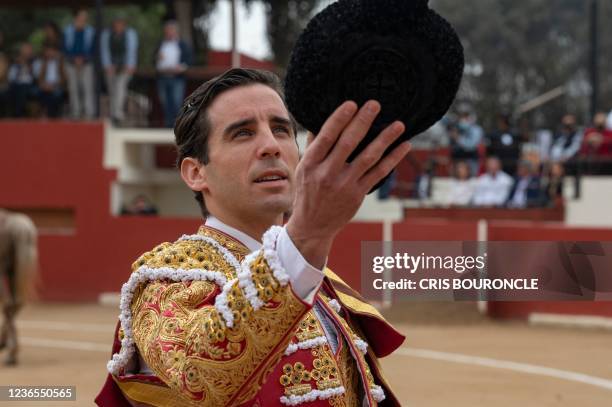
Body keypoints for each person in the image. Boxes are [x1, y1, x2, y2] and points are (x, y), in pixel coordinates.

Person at [96, 68, 410, 406]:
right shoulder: (165, 281)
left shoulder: (319, 281)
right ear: (196, 172)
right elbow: (200, 376)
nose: (271, 146)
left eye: (280, 129)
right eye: (243, 133)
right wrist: (304, 237)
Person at [100, 14, 138, 125]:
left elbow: (132, 50)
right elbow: (105, 50)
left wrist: (130, 64)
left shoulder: (130, 34)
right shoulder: (106, 34)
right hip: (111, 67)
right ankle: (113, 114)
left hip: (124, 66)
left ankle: (117, 113)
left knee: (120, 87)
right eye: (117, 23)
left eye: (121, 23)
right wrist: (107, 65)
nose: (118, 26)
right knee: (112, 90)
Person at [155, 20, 192, 128]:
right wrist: (157, 58)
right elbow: (153, 59)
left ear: (176, 31)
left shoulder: (182, 44)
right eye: (167, 31)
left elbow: (189, 59)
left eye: (171, 30)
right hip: (162, 77)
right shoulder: (161, 44)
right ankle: (168, 126)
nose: (169, 33)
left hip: (177, 78)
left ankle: (178, 126)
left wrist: (181, 67)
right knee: (165, 102)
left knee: (176, 102)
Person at [63, 8, 96, 119]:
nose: (83, 19)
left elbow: (94, 48)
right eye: (81, 16)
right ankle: (75, 112)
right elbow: (64, 48)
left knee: (87, 88)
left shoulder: (91, 31)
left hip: (86, 64)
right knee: (73, 88)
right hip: (71, 64)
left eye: (85, 17)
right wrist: (74, 59)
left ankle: (89, 113)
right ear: (76, 18)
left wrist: (83, 59)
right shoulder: (67, 31)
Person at [33, 43, 67, 118]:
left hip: (57, 85)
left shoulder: (61, 62)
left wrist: (54, 85)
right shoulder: (40, 62)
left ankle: (52, 116)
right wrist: (44, 85)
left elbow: (64, 79)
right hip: (44, 86)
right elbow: (38, 79)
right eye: (48, 51)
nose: (49, 53)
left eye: (52, 51)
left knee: (57, 94)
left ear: (56, 52)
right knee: (39, 92)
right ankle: (44, 114)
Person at [449, 107, 483, 177]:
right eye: (462, 116)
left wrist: (458, 138)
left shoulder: (476, 129)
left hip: (471, 160)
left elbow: (471, 146)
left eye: (466, 116)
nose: (463, 119)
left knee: (472, 181)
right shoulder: (455, 128)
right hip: (456, 159)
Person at [7, 43, 37, 118]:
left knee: (23, 88)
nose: (27, 53)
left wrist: (30, 68)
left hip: (30, 85)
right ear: (21, 52)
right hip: (17, 85)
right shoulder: (15, 63)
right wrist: (19, 67)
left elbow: (37, 77)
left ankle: (18, 115)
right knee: (16, 89)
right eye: (25, 50)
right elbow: (11, 78)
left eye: (28, 50)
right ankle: (17, 114)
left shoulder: (35, 62)